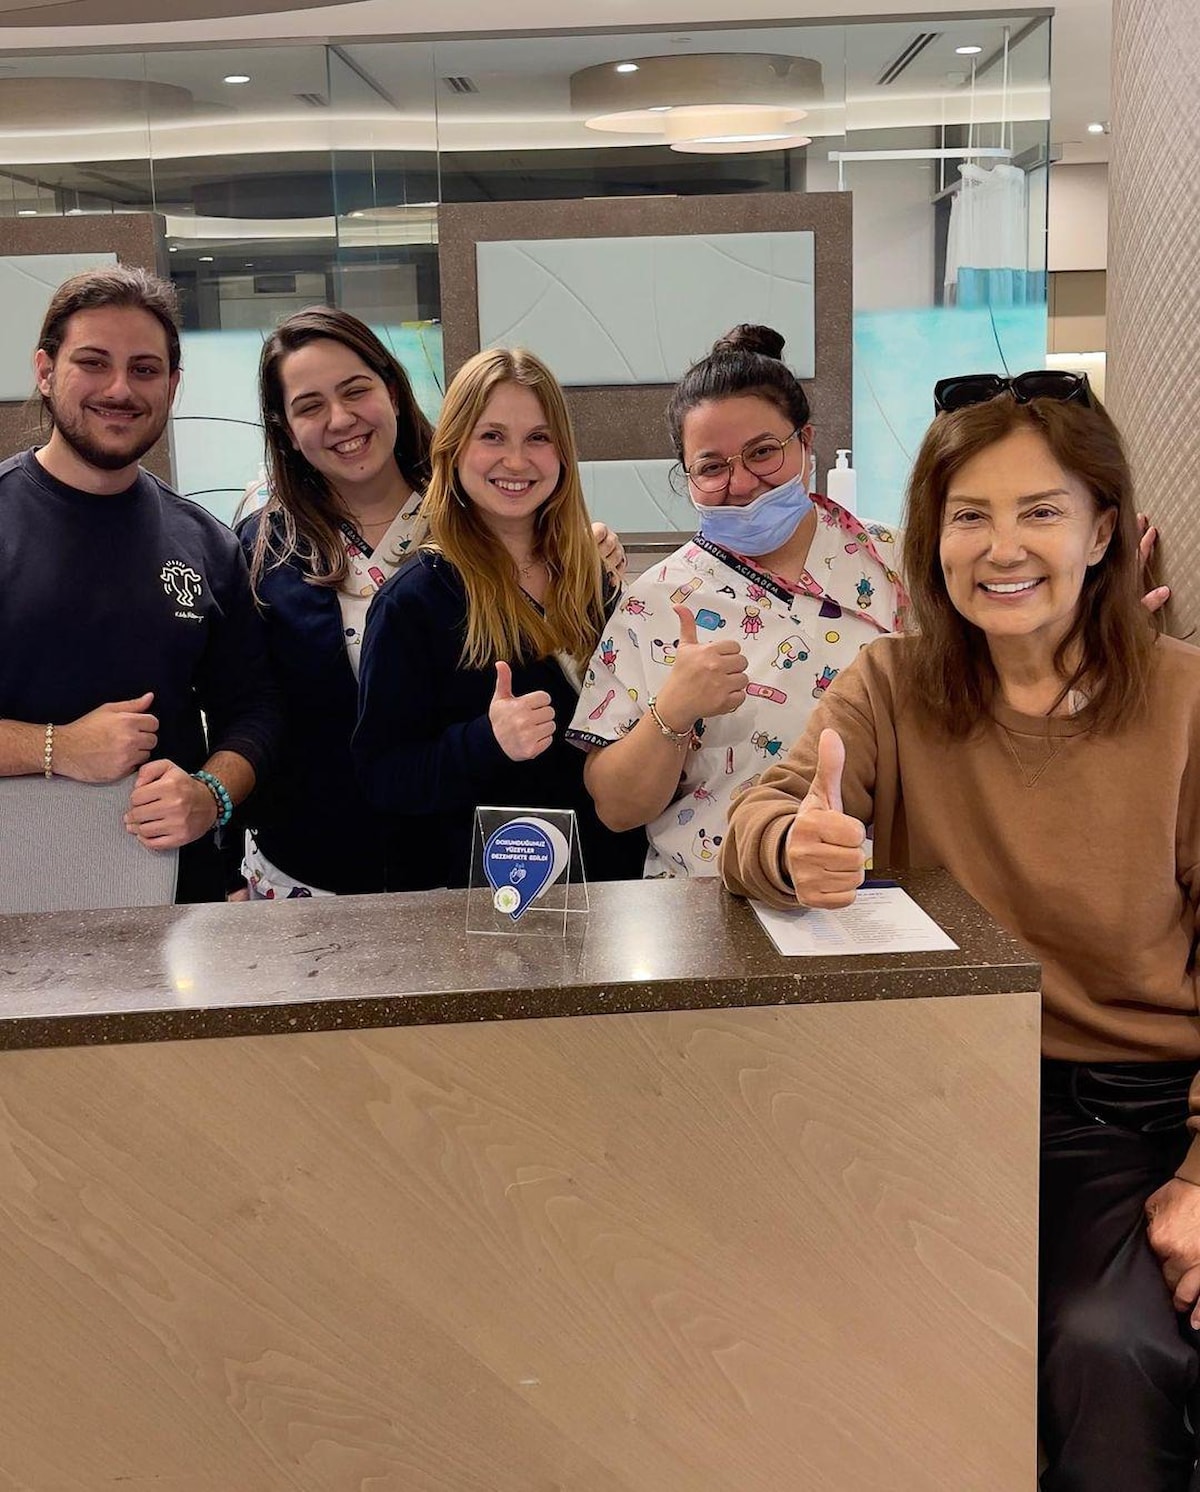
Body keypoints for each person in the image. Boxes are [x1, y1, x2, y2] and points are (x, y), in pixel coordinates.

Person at [720, 371, 1200, 1491]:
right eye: (969, 515)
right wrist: (793, 847)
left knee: (1111, 1348)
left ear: (1104, 533)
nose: (1002, 547)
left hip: (1129, 1114)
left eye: (1041, 511)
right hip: (934, 1097)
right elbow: (758, 820)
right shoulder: (890, 684)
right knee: (825, 1330)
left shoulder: (1182, 701)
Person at [236, 308, 627, 898]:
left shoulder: (487, 513)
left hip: (515, 870)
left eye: (355, 390)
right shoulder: (267, 545)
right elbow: (250, 707)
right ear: (285, 428)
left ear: (393, 391)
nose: (340, 418)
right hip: (323, 862)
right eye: (310, 405)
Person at [569, 324, 906, 877]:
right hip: (713, 897)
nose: (743, 482)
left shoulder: (897, 563)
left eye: (763, 452)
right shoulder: (655, 603)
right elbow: (616, 808)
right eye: (712, 467)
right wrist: (672, 712)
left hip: (875, 892)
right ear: (686, 475)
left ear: (806, 442)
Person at [0, 265, 278, 903]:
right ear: (45, 370)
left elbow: (256, 711)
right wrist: (56, 748)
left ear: (172, 386)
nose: (120, 388)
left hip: (170, 902)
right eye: (93, 362)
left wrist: (210, 794)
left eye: (145, 369)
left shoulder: (205, 543)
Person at [352, 347, 645, 890]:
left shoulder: (590, 577)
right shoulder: (415, 601)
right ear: (454, 447)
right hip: (495, 901)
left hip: (616, 883)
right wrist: (486, 741)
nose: (515, 461)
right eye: (492, 436)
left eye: (538, 438)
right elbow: (382, 777)